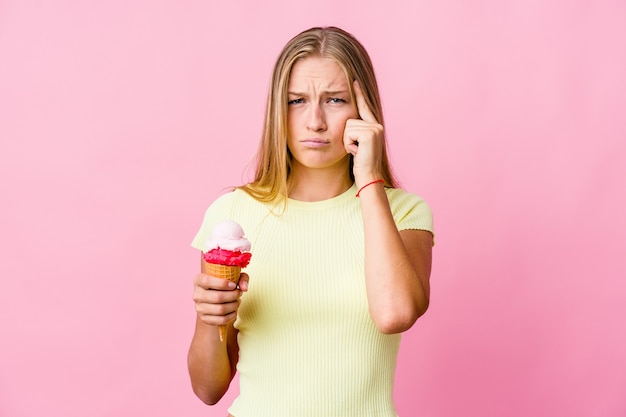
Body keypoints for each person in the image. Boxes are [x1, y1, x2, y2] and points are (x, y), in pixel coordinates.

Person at [188, 26, 434, 417]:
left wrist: (368, 177)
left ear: (364, 111)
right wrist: (209, 318)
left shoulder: (404, 213)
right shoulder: (232, 215)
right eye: (296, 100)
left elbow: (394, 314)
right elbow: (208, 388)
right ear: (276, 110)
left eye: (335, 100)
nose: (315, 121)